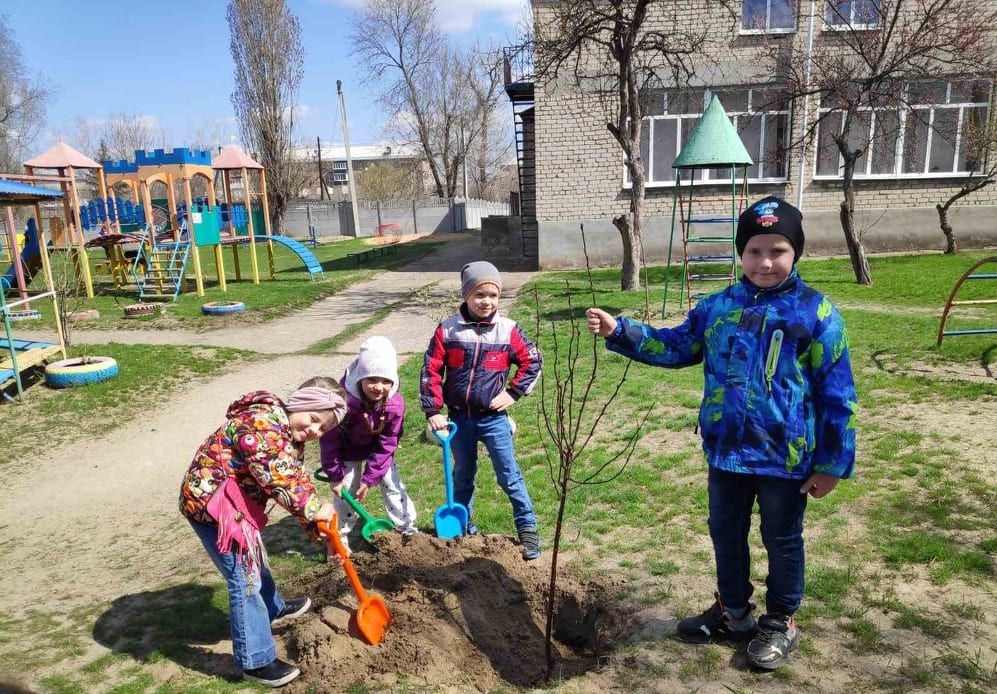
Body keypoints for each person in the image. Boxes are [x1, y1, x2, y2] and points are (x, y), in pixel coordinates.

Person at [586, 196, 857, 670]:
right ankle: (734, 614)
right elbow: (675, 346)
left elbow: (838, 392)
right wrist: (621, 331)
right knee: (725, 533)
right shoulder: (717, 307)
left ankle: (780, 621)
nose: (765, 262)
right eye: (754, 251)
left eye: (778, 251)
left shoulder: (815, 313)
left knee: (782, 537)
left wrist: (833, 463)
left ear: (796, 253)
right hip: (727, 453)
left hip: (785, 457)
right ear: (740, 253)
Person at [179, 377, 347, 688]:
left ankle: (273, 608)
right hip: (212, 506)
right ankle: (255, 661)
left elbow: (296, 478)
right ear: (300, 404)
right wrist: (313, 509)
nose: (314, 431)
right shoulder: (261, 424)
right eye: (312, 419)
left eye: (322, 429)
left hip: (235, 504)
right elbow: (279, 480)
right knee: (245, 580)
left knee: (254, 559)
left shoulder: (289, 436)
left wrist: (320, 530)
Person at [420, 260, 544, 560]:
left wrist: (513, 393)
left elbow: (533, 361)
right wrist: (433, 410)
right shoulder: (448, 330)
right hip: (459, 420)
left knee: (509, 475)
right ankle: (462, 528)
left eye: (493, 295)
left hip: (493, 420)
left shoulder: (508, 330)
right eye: (479, 294)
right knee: (462, 475)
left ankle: (527, 531)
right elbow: (431, 370)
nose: (487, 301)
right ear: (466, 295)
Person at [320, 336, 417, 552]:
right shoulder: (343, 402)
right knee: (347, 491)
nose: (378, 387)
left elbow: (388, 442)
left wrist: (370, 478)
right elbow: (329, 439)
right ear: (360, 378)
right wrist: (335, 476)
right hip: (346, 450)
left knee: (392, 484)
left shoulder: (393, 404)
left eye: (385, 380)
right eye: (371, 379)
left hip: (376, 449)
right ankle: (339, 539)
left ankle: (408, 529)